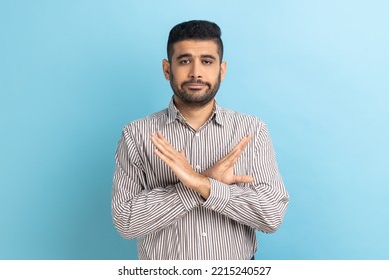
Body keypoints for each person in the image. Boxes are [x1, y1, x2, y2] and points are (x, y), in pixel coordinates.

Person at [111, 20, 289, 260]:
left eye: (207, 61)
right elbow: (126, 221)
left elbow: (271, 215)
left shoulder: (252, 130)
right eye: (184, 61)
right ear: (167, 69)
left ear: (221, 70)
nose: (196, 72)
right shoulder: (136, 135)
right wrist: (199, 186)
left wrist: (201, 183)